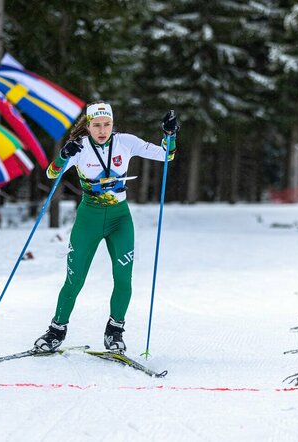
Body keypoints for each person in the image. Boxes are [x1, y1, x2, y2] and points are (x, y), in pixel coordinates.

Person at [33, 101, 179, 353]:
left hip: (119, 219)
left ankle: (115, 332)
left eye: (107, 124)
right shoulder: (79, 148)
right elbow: (51, 173)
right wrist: (63, 155)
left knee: (124, 279)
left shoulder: (126, 142)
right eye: (97, 125)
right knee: (74, 279)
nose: (102, 130)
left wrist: (170, 135)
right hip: (88, 220)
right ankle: (56, 330)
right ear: (88, 126)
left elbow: (167, 155)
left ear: (113, 124)